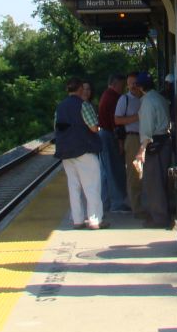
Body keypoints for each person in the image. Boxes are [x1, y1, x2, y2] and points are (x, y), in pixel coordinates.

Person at [54, 77, 105, 230]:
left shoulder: (60, 107)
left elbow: (57, 127)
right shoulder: (84, 104)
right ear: (79, 89)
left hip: (66, 153)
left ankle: (77, 220)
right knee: (92, 186)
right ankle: (95, 220)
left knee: (73, 186)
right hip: (84, 150)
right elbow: (93, 128)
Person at [133, 72, 172, 229]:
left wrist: (142, 149)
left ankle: (159, 217)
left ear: (140, 87)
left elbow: (147, 128)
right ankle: (165, 213)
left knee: (154, 182)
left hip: (155, 143)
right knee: (162, 180)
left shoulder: (147, 101)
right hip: (165, 141)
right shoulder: (160, 98)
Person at [97, 74, 130, 213]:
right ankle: (118, 203)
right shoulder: (114, 98)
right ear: (116, 84)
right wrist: (120, 142)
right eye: (122, 85)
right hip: (110, 135)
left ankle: (104, 203)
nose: (123, 88)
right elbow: (115, 123)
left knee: (105, 172)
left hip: (103, 134)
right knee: (115, 170)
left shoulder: (105, 95)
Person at [115, 71, 144, 218]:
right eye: (130, 83)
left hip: (146, 138)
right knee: (134, 174)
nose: (133, 86)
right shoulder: (124, 99)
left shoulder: (145, 98)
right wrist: (137, 117)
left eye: (135, 83)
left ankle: (144, 205)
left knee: (146, 174)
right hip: (132, 138)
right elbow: (117, 120)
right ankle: (136, 208)